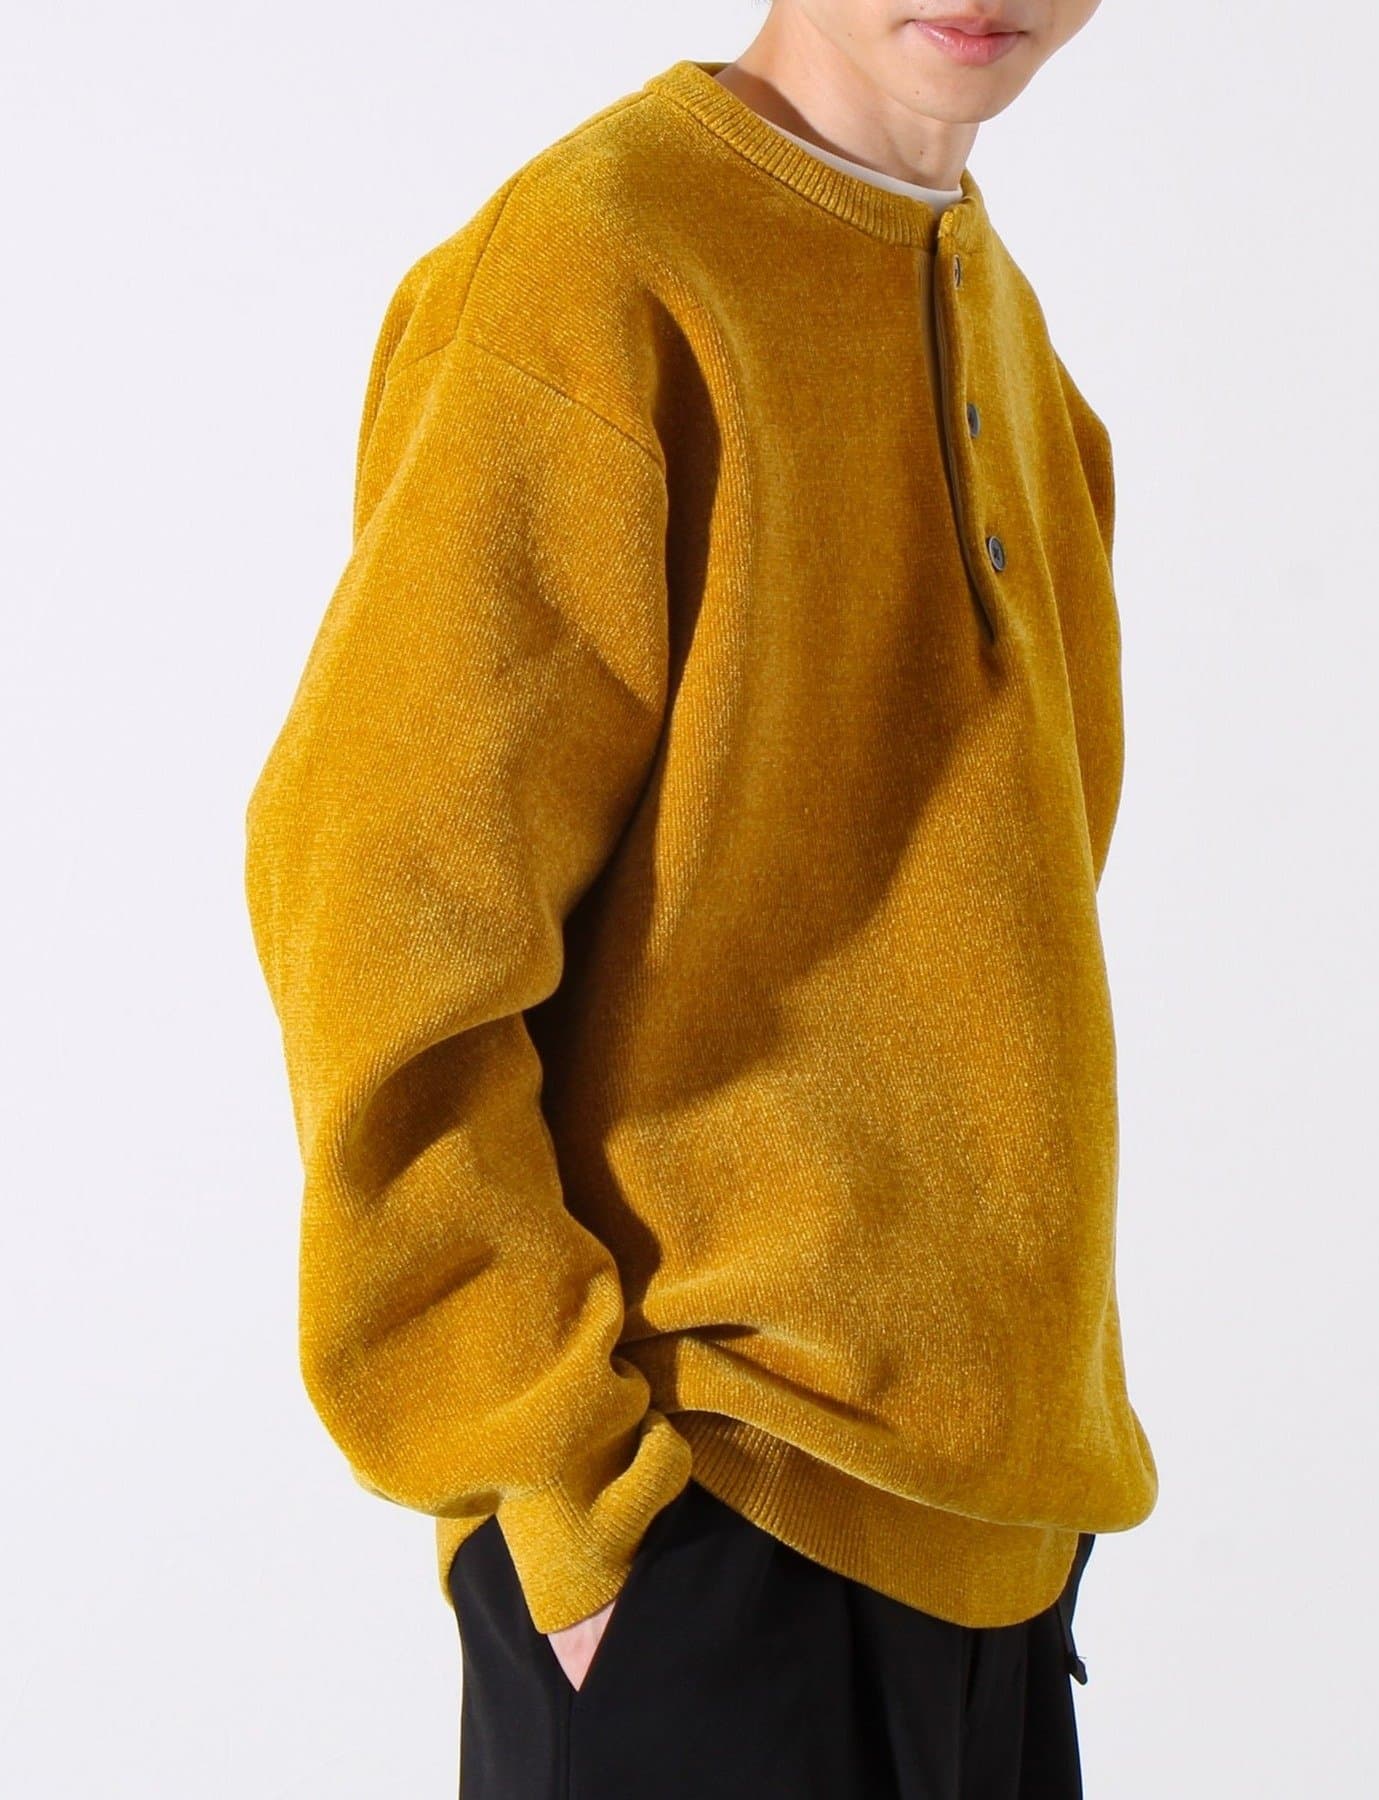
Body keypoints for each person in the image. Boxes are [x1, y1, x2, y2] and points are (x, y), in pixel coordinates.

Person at [243, 2, 1158, 1794]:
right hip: (701, 1521)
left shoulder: (1014, 341)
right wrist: (564, 1485)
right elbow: (377, 903)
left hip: (998, 1549)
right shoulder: (601, 263)